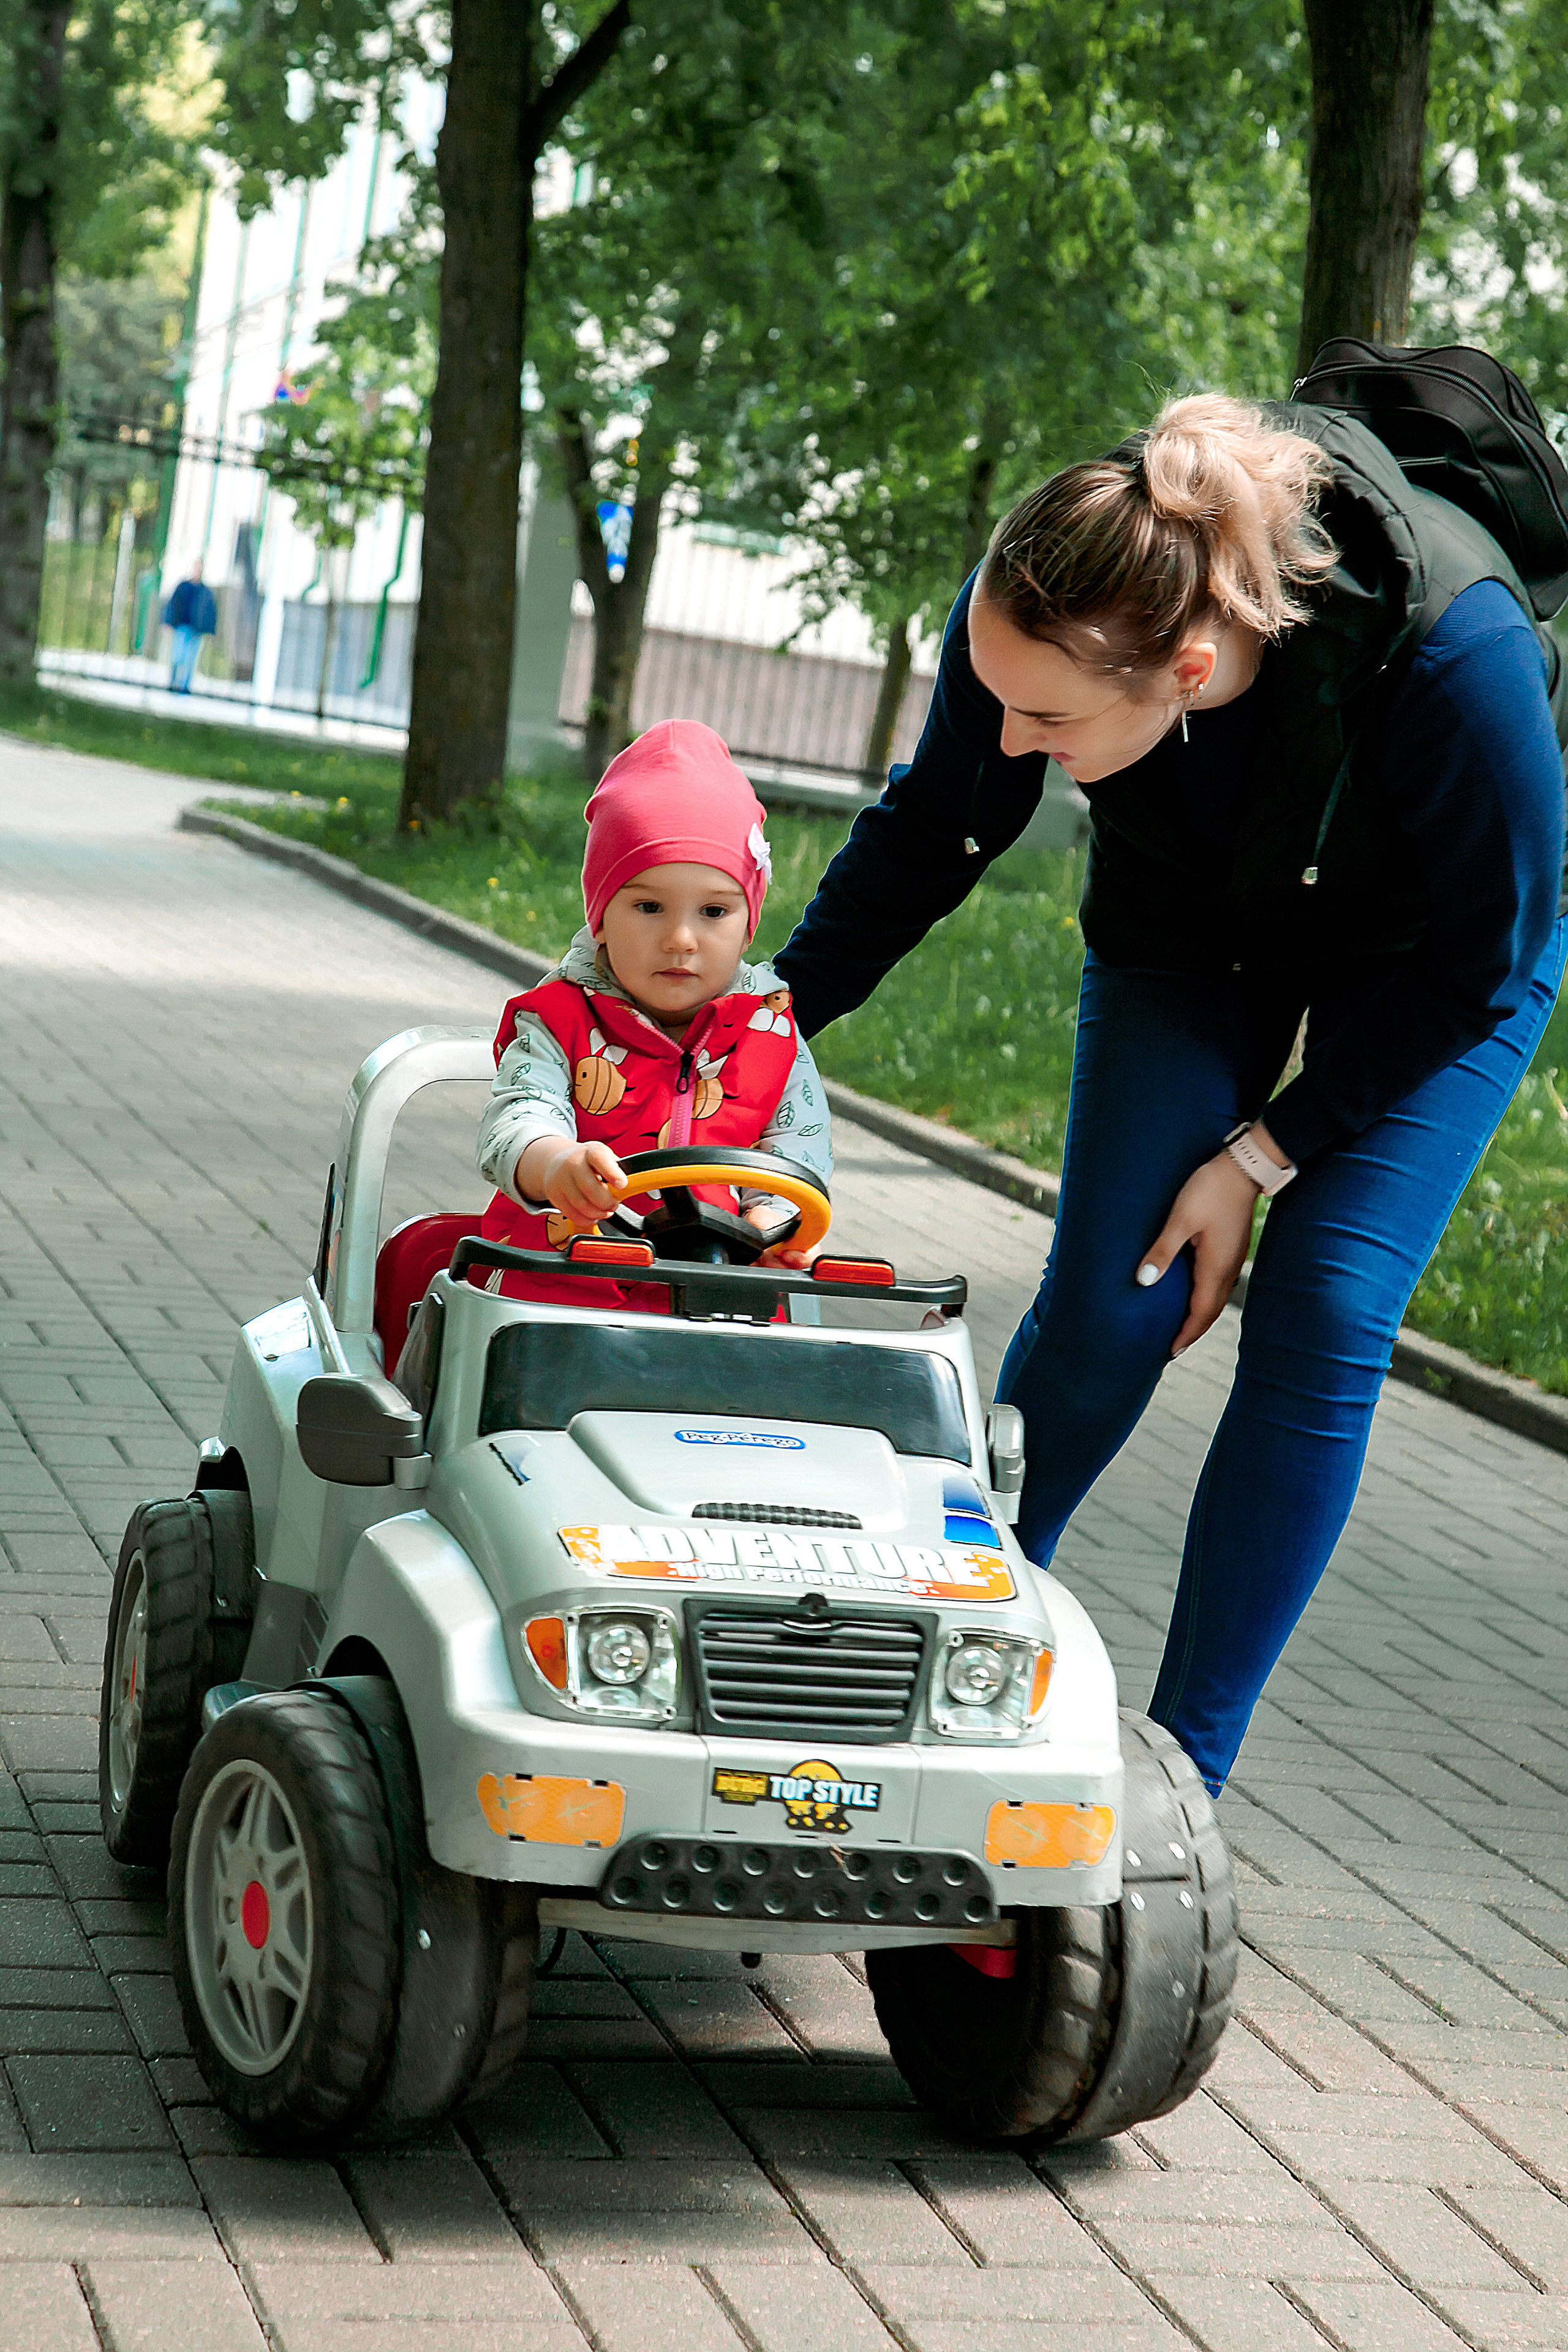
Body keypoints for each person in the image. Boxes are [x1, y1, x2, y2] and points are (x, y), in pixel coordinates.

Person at [775, 392, 1567, 1796]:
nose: (1008, 739)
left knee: (1323, 1308)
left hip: (1432, 957)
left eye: (1046, 719)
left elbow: (1481, 959)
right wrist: (751, 1032)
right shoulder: (1045, 589)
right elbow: (939, 826)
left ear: (1189, 670)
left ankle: (1178, 1774)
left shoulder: (1456, 650)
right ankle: (943, 1682)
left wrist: (1259, 1154)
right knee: (1111, 1305)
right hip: (1188, 927)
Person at [477, 718, 832, 1308]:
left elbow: (796, 1152)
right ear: (600, 918)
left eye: (714, 912)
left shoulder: (772, 1032)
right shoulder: (559, 1019)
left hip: (719, 1299)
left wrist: (773, 1226)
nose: (681, 939)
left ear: (749, 926)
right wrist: (556, 1163)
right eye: (649, 907)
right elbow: (517, 1118)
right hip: (558, 1296)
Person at [162, 562, 217, 694]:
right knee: (177, 657)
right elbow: (173, 604)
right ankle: (173, 683)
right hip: (182, 626)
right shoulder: (183, 587)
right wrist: (168, 622)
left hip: (196, 630)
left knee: (190, 660)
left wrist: (209, 630)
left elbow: (210, 612)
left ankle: (185, 687)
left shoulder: (205, 591)